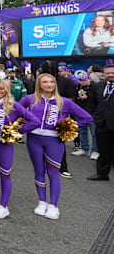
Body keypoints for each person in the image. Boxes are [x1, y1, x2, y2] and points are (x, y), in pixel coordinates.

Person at [20, 74, 92, 219]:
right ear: (39, 84)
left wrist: (70, 127)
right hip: (33, 139)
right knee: (39, 171)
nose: (49, 84)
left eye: (52, 82)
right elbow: (14, 112)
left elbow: (87, 117)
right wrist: (21, 127)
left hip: (54, 141)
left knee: (53, 173)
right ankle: (42, 202)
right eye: (45, 82)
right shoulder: (29, 99)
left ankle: (53, 205)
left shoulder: (64, 102)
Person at [0, 80, 38, 219]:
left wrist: (18, 131)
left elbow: (34, 121)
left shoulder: (13, 105)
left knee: (4, 174)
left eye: (1, 88)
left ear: (6, 90)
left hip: (3, 144)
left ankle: (3, 206)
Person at [40, 60, 76, 178]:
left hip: (59, 116)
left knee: (59, 143)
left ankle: (62, 168)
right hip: (41, 116)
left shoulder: (67, 82)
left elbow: (72, 99)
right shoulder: (39, 82)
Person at [87, 64, 114, 181]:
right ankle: (102, 174)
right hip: (102, 124)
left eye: (113, 73)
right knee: (103, 150)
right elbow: (92, 103)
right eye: (108, 73)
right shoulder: (98, 86)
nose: (110, 75)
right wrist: (95, 116)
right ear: (104, 74)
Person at [72, 72, 98, 159]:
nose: (82, 82)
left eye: (84, 80)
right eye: (80, 80)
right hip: (81, 112)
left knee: (94, 132)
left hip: (92, 113)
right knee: (82, 131)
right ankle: (84, 148)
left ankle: (95, 150)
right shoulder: (78, 86)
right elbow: (75, 97)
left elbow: (98, 99)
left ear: (89, 79)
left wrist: (88, 97)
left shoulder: (95, 87)